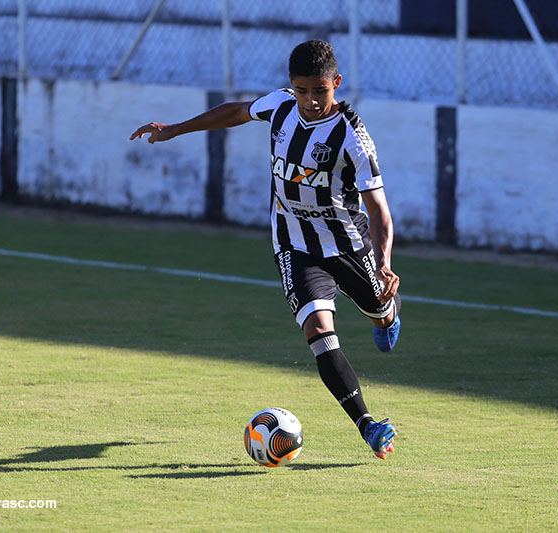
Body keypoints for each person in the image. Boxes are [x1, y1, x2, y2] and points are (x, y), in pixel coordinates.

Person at [130, 39, 401, 460]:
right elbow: (238, 111)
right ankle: (367, 424)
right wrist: (175, 129)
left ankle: (385, 317)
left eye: (320, 91)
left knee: (379, 308)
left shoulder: (353, 138)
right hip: (294, 244)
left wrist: (383, 263)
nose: (310, 101)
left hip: (347, 243)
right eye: (302, 90)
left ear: (337, 83)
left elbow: (379, 208)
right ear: (291, 86)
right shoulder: (281, 106)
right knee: (318, 332)